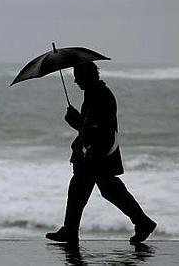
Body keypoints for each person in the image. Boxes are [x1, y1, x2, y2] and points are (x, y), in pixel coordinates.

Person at [46, 61, 156, 244]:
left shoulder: (101, 96)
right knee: (84, 190)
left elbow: (97, 128)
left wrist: (76, 121)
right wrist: (79, 122)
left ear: (87, 76)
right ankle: (70, 230)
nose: (75, 81)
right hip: (93, 153)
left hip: (98, 154)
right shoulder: (94, 94)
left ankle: (142, 222)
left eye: (78, 77)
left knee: (104, 190)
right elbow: (91, 126)